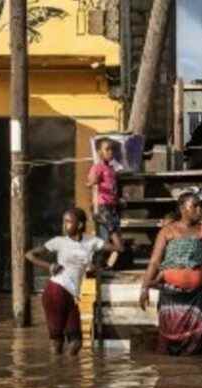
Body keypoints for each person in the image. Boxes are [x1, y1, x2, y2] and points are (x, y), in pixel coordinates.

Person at [138, 192, 202, 355]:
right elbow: (154, 262)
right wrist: (144, 288)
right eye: (194, 206)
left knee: (199, 344)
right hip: (171, 297)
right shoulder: (167, 232)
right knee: (169, 343)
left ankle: (196, 375)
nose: (199, 210)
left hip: (199, 298)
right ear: (182, 208)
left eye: (200, 206)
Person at [25, 207, 121, 356]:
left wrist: (110, 227)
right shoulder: (58, 241)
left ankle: (67, 375)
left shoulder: (91, 241)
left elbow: (119, 248)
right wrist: (49, 265)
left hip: (71, 295)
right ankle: (56, 374)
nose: (65, 225)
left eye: (69, 222)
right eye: (64, 222)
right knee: (57, 341)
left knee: (76, 342)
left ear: (80, 225)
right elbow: (30, 255)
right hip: (55, 291)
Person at [86, 138, 124, 267]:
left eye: (112, 149)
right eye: (107, 149)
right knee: (117, 243)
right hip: (102, 207)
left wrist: (118, 200)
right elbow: (89, 183)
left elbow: (112, 188)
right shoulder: (97, 167)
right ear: (99, 152)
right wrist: (94, 181)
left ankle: (101, 264)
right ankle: (93, 253)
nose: (110, 152)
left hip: (112, 207)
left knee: (104, 238)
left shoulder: (111, 168)